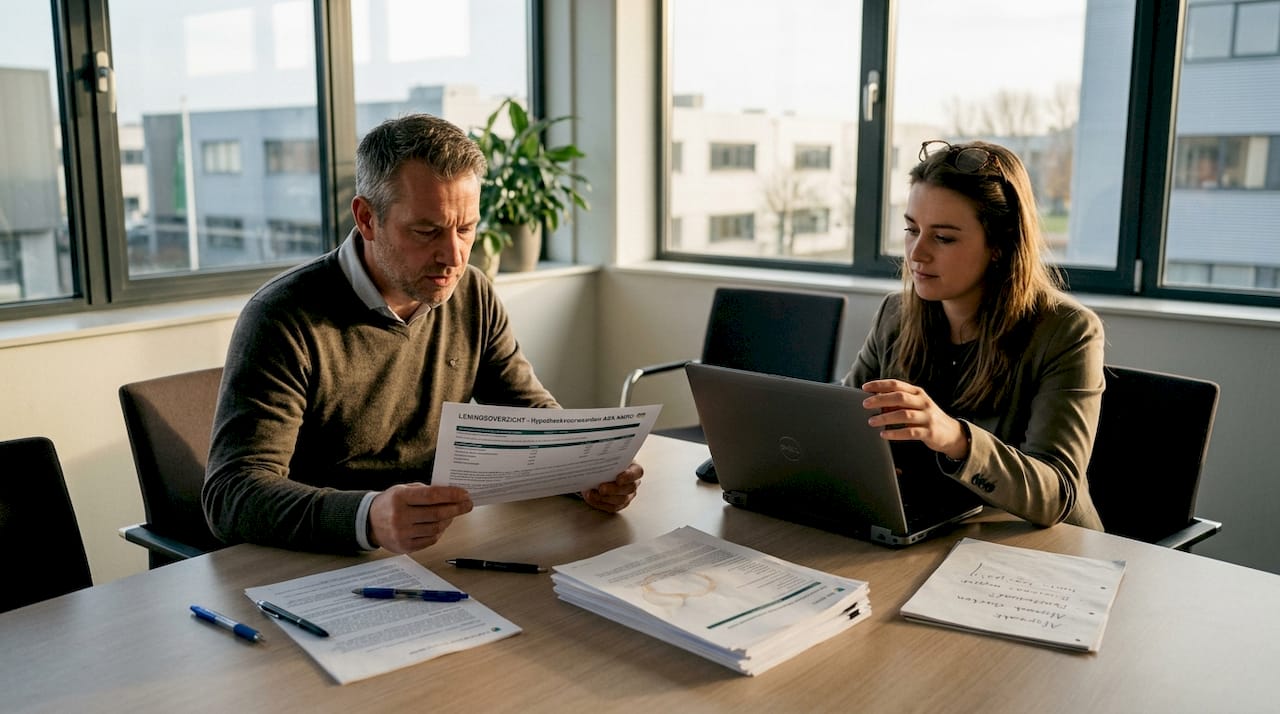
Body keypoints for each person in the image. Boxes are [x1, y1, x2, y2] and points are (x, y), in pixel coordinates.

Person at [202, 113, 642, 555]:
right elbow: (231, 493)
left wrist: (582, 469)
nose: (453, 255)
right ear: (366, 218)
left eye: (466, 228)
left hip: (435, 551)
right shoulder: (283, 317)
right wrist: (367, 517)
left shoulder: (472, 292)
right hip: (317, 564)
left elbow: (527, 415)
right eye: (426, 231)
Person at [847, 139, 1104, 529]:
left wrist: (956, 438)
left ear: (999, 245)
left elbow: (1057, 494)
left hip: (1040, 552)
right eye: (911, 230)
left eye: (944, 237)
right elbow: (843, 420)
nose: (916, 254)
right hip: (934, 528)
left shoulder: (1068, 331)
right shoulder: (894, 314)